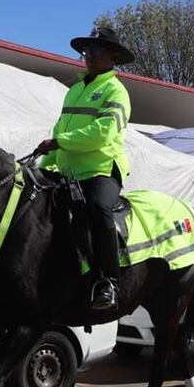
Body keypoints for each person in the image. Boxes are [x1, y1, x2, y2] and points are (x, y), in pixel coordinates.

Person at [37, 27, 134, 311]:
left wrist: (59, 142)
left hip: (100, 170)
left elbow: (101, 133)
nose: (88, 56)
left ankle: (108, 282)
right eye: (86, 50)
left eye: (96, 50)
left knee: (98, 208)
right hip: (66, 169)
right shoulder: (75, 90)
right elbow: (60, 127)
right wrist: (46, 164)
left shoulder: (116, 91)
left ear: (113, 56)